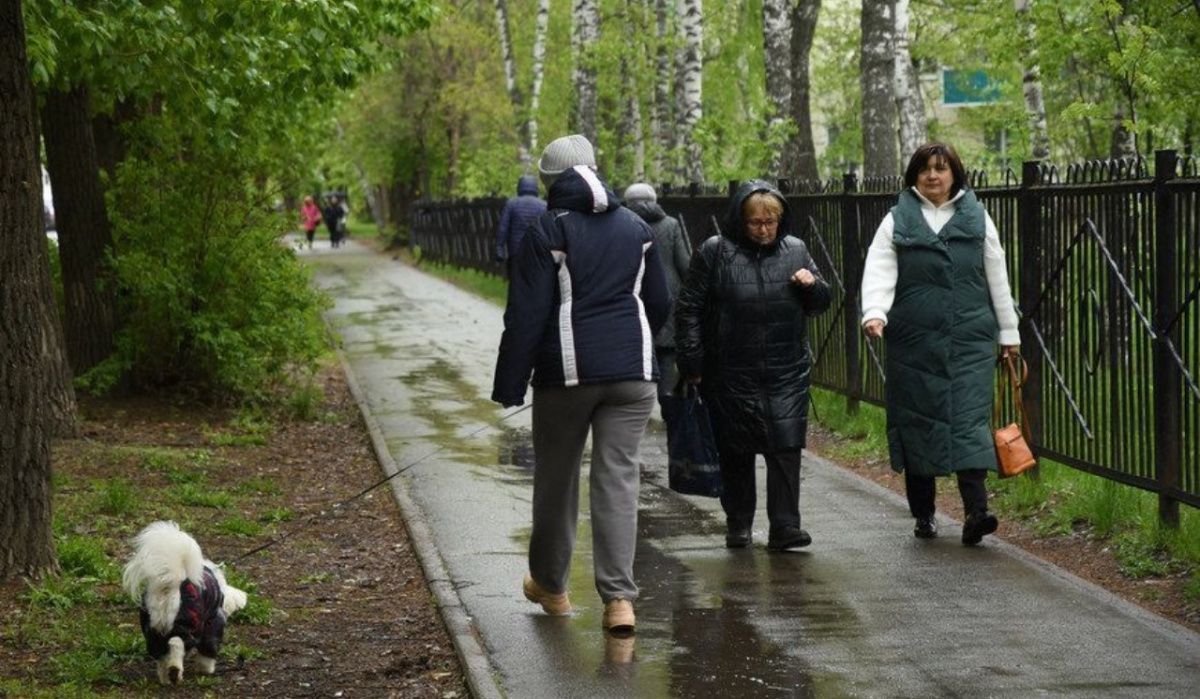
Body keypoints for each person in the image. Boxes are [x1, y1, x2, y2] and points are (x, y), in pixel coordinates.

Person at [492, 134, 670, 634]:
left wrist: (511, 383)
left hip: (568, 374)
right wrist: (628, 345)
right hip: (633, 375)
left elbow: (526, 313)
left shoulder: (548, 229)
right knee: (618, 481)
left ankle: (552, 586)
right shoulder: (636, 226)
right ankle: (619, 601)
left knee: (557, 478)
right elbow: (659, 302)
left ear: (551, 182)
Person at [860, 141, 1021, 546]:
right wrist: (875, 312)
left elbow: (996, 275)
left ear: (954, 174)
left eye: (941, 168)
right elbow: (880, 268)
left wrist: (1009, 332)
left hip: (970, 340)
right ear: (914, 175)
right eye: (925, 169)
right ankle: (924, 514)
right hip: (913, 342)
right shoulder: (897, 219)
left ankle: (976, 513)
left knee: (968, 421)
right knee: (918, 423)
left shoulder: (977, 217)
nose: (933, 176)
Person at [674, 180, 831, 552]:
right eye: (755, 222)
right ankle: (739, 523)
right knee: (735, 449)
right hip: (730, 371)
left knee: (786, 447)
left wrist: (812, 285)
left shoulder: (796, 250)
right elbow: (689, 307)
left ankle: (785, 526)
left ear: (780, 220)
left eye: (770, 222)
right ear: (740, 221)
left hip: (785, 369)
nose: (763, 230)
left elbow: (821, 302)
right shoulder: (715, 252)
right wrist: (692, 360)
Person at [623, 183, 691, 421]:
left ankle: (633, 411)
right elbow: (685, 265)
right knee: (666, 356)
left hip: (633, 299)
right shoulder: (671, 224)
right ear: (654, 200)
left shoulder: (621, 225)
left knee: (635, 357)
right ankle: (669, 407)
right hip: (668, 300)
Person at [494, 175, 547, 274]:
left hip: (516, 251)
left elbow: (503, 228)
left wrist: (499, 249)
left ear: (519, 187)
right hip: (536, 252)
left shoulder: (511, 204)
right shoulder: (543, 206)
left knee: (516, 280)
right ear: (536, 187)